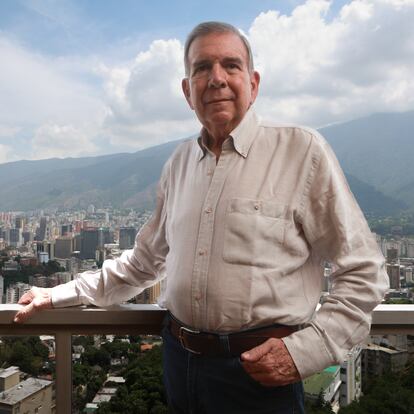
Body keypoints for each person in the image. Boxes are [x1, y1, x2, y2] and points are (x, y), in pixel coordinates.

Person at [15, 22, 389, 413]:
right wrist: (57, 293)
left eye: (231, 65)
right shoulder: (179, 164)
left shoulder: (301, 151)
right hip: (179, 363)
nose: (216, 79)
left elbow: (364, 271)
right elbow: (144, 262)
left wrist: (306, 351)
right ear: (186, 90)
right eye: (202, 68)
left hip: (260, 373)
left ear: (254, 82)